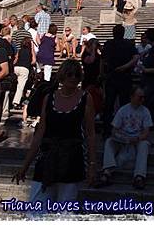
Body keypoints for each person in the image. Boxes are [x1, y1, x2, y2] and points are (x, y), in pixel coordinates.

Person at [12, 60, 96, 203]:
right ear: (62, 76)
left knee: (66, 208)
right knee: (37, 204)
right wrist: (25, 165)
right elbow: (40, 133)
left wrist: (92, 165)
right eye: (69, 74)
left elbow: (90, 133)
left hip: (72, 157)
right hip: (47, 155)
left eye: (77, 75)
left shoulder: (86, 98)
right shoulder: (49, 98)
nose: (73, 78)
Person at [98, 87, 152, 189]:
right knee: (109, 141)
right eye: (140, 97)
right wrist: (122, 138)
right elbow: (114, 130)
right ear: (132, 97)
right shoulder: (123, 110)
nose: (142, 100)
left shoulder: (145, 112)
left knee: (144, 145)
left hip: (137, 140)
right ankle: (106, 172)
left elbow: (146, 133)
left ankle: (139, 176)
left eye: (143, 98)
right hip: (123, 139)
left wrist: (136, 139)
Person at [101, 24, 139, 139]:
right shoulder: (129, 44)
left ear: (113, 33)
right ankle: (124, 128)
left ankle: (107, 131)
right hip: (125, 76)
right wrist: (126, 66)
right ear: (123, 33)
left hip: (111, 76)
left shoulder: (108, 44)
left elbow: (102, 60)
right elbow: (136, 57)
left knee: (109, 105)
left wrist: (101, 73)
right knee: (125, 104)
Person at [12, 37, 36, 109]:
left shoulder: (19, 50)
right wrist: (28, 63)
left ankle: (13, 99)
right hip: (24, 69)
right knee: (20, 87)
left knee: (15, 85)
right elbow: (34, 61)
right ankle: (16, 102)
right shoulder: (30, 51)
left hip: (16, 68)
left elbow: (15, 61)